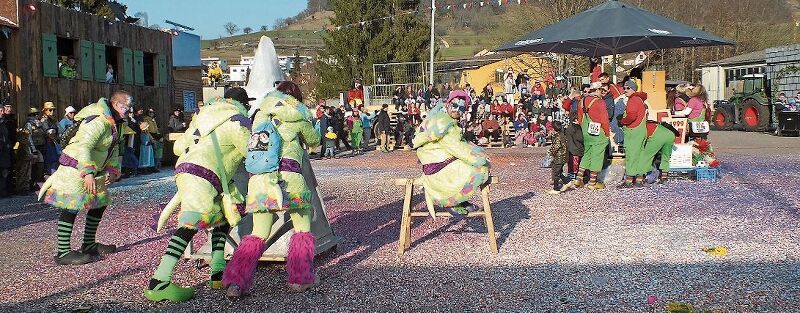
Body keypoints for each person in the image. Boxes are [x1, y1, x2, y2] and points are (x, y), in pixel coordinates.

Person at [145, 88, 252, 303]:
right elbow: (252, 153)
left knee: (221, 219)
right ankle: (159, 282)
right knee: (190, 224)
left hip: (189, 171)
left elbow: (178, 147)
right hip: (204, 175)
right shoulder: (237, 121)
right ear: (243, 104)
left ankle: (217, 271)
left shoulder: (201, 117)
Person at [224, 82, 322, 297]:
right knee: (302, 228)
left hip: (260, 181)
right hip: (290, 179)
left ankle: (236, 282)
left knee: (258, 233)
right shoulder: (297, 115)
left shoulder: (259, 116)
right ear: (295, 98)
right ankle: (301, 278)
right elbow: (315, 142)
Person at [38, 91, 129, 265]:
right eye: (125, 105)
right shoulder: (98, 120)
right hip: (76, 167)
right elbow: (84, 146)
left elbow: (114, 147)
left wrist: (113, 169)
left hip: (97, 169)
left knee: (99, 204)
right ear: (115, 104)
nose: (128, 109)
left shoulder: (118, 123)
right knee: (72, 206)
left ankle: (88, 244)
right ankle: (63, 252)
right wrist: (87, 172)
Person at [413, 90, 489, 216]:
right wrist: (479, 158)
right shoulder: (444, 123)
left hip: (436, 163)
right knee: (480, 169)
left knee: (471, 164)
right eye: (454, 106)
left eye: (461, 108)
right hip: (439, 167)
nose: (457, 110)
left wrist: (472, 147)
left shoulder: (443, 118)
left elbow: (458, 141)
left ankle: (460, 200)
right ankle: (451, 201)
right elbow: (456, 147)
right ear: (448, 104)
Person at [567, 82, 609, 190]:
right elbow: (604, 120)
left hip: (586, 131)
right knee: (597, 156)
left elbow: (580, 119)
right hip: (598, 132)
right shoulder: (600, 102)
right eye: (601, 90)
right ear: (596, 90)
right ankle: (593, 183)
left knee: (587, 154)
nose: (602, 92)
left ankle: (578, 179)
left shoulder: (582, 101)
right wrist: (607, 133)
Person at [618, 80, 648, 188]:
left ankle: (629, 180)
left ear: (633, 89)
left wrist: (622, 121)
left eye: (628, 88)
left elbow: (632, 116)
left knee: (631, 155)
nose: (625, 90)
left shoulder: (633, 100)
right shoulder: (640, 99)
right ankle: (639, 180)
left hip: (633, 131)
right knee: (640, 155)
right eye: (624, 88)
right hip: (641, 130)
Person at [546, 121, 569, 194]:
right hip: (562, 156)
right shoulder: (561, 134)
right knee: (559, 171)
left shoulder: (558, 137)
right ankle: (567, 182)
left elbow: (556, 147)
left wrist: (550, 153)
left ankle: (556, 189)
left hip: (559, 157)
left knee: (556, 173)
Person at [564, 111, 583, 182]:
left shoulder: (569, 127)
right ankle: (575, 180)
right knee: (576, 167)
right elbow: (580, 138)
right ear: (576, 119)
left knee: (571, 167)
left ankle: (570, 179)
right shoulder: (577, 128)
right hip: (577, 149)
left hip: (571, 149)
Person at [0, 106, 11, 197]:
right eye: (0, 111)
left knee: (5, 171)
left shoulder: (3, 123)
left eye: (2, 110)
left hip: (4, 151)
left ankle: (3, 191)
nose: (2, 112)